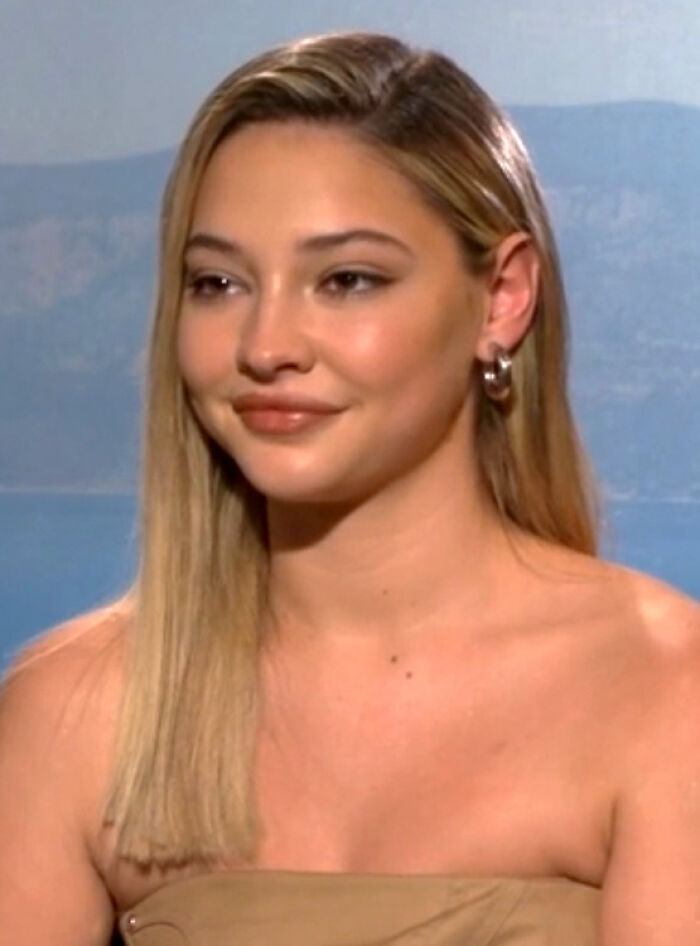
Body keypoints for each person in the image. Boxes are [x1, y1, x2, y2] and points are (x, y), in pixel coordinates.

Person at [1, 30, 699, 946]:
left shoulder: (662, 697)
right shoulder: (70, 713)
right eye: (217, 282)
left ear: (501, 300)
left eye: (347, 280)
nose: (265, 345)